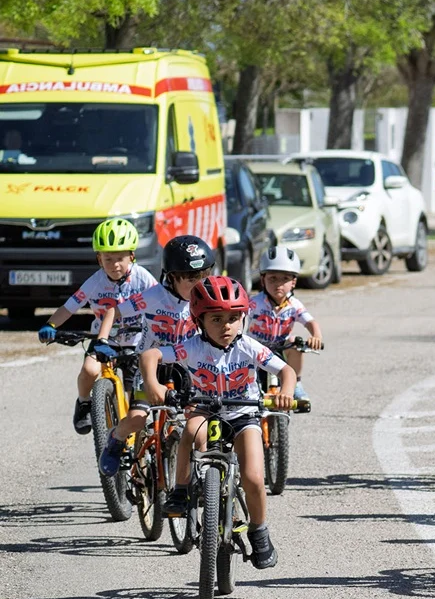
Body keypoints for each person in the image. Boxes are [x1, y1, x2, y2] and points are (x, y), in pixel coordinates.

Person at [164, 274, 300, 569]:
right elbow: (151, 356)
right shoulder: (191, 347)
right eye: (216, 319)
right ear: (199, 321)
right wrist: (153, 383)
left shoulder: (249, 347)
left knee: (253, 477)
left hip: (243, 414)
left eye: (232, 318)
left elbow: (286, 371)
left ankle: (259, 530)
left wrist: (286, 391)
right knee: (189, 429)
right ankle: (181, 491)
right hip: (205, 409)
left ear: (243, 318)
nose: (226, 326)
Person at [38, 217, 156, 435]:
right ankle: (83, 403)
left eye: (120, 258)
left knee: (133, 402)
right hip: (103, 339)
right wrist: (51, 324)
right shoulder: (95, 281)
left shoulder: (143, 278)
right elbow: (69, 307)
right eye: (107, 259)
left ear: (132, 256)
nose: (114, 265)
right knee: (89, 369)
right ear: (99, 259)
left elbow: (160, 303)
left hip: (137, 341)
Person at [117, 235, 214, 481]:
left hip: (185, 370)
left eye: (204, 276)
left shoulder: (207, 301)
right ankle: (115, 440)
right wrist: (104, 336)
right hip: (152, 367)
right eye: (191, 279)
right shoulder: (154, 295)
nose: (199, 284)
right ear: (171, 277)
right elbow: (114, 310)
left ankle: (206, 480)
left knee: (198, 426)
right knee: (138, 419)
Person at [247, 245, 324, 397]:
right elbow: (240, 318)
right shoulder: (255, 303)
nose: (278, 284)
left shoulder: (294, 305)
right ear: (263, 279)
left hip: (282, 347)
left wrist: (316, 336)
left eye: (285, 279)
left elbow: (310, 322)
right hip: (256, 348)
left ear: (293, 282)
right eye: (273, 278)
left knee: (295, 341)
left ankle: (295, 384)